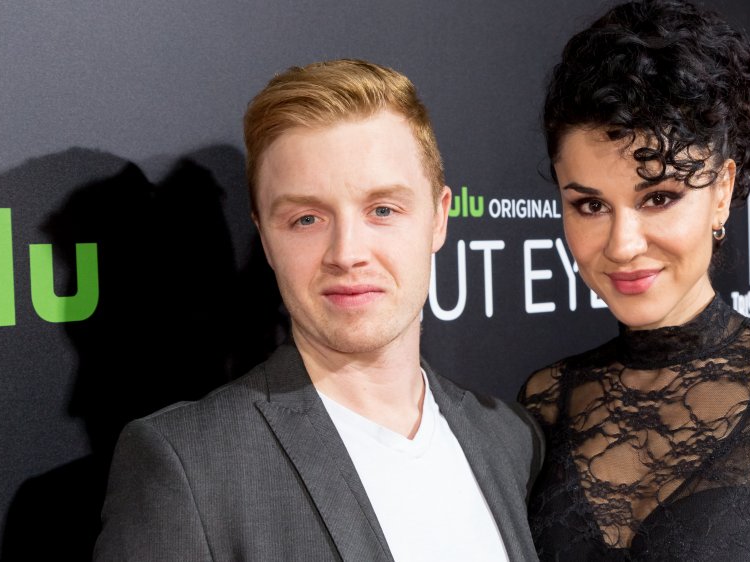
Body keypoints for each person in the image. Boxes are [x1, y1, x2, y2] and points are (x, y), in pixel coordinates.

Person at [94, 59, 542, 562]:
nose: (347, 252)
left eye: (382, 210)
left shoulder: (511, 439)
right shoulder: (188, 467)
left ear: (438, 219)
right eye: (306, 218)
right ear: (265, 238)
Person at [518, 2, 750, 561]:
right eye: (590, 204)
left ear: (721, 190)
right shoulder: (544, 402)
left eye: (659, 198)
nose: (623, 244)